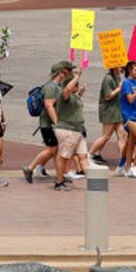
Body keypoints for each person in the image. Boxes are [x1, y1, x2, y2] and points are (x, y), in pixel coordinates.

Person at [44, 60, 88, 189]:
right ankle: (59, 181)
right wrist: (77, 76)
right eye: (76, 85)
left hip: (78, 130)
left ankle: (94, 181)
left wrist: (80, 93)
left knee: (83, 156)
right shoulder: (64, 94)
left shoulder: (74, 96)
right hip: (68, 130)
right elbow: (67, 90)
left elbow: (75, 104)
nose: (77, 86)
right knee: (63, 156)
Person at [89, 62, 125, 168]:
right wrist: (119, 88)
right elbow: (108, 96)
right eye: (122, 67)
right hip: (109, 110)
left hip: (118, 110)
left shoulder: (118, 77)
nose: (123, 69)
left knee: (121, 135)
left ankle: (123, 160)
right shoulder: (108, 79)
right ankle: (89, 154)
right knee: (106, 136)